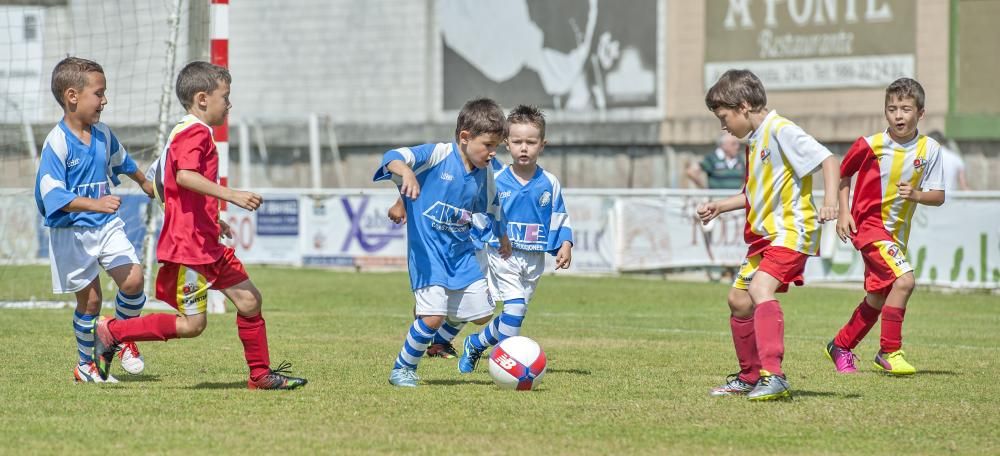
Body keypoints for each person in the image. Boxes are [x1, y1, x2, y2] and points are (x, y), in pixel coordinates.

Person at [93, 61, 307, 390]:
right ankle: (113, 332)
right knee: (193, 325)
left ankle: (260, 375)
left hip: (206, 243)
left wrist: (212, 217)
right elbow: (184, 176)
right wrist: (231, 195)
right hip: (189, 249)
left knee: (250, 301)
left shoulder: (187, 132)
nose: (230, 104)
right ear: (203, 98)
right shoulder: (193, 132)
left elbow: (166, 186)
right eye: (226, 96)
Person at [697, 69, 839, 401]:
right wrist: (721, 205)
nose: (723, 126)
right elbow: (756, 195)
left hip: (792, 230)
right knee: (738, 300)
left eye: (724, 116)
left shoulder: (781, 130)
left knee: (760, 288)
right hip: (767, 237)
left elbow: (829, 160)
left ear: (743, 106)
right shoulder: (756, 140)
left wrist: (831, 202)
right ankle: (749, 376)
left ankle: (774, 375)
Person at [374, 97, 513, 388]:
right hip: (428, 252)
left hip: (460, 253)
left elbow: (492, 206)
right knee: (434, 317)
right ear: (465, 137)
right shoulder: (437, 154)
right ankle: (403, 368)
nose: (492, 153)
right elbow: (392, 157)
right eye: (487, 145)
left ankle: (428, 320)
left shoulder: (484, 173)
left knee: (482, 315)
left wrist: (502, 236)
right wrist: (406, 175)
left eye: (496, 147)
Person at [34, 57, 155, 383]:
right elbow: (52, 195)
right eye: (98, 93)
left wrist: (144, 181)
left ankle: (124, 336)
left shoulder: (102, 134)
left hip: (105, 226)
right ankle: (85, 366)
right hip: (71, 232)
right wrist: (95, 203)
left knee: (132, 279)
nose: (105, 100)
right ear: (72, 96)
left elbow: (123, 160)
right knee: (91, 302)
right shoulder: (56, 143)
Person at [825, 78, 945, 376]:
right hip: (868, 227)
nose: (898, 115)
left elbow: (938, 196)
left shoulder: (930, 149)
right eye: (892, 109)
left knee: (878, 297)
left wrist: (916, 195)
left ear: (921, 113)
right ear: (885, 113)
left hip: (896, 235)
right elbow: (843, 173)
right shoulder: (870, 145)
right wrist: (843, 212)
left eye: (906, 109)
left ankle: (841, 345)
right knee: (904, 281)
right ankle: (889, 351)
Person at [454, 104, 574, 373]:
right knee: (516, 307)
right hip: (504, 254)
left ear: (542, 144)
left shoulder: (550, 183)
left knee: (513, 314)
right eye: (517, 141)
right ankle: (506, 366)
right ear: (506, 143)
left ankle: (475, 343)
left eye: (531, 142)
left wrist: (565, 243)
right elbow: (481, 215)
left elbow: (559, 215)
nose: (524, 148)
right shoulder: (495, 179)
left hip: (534, 258)